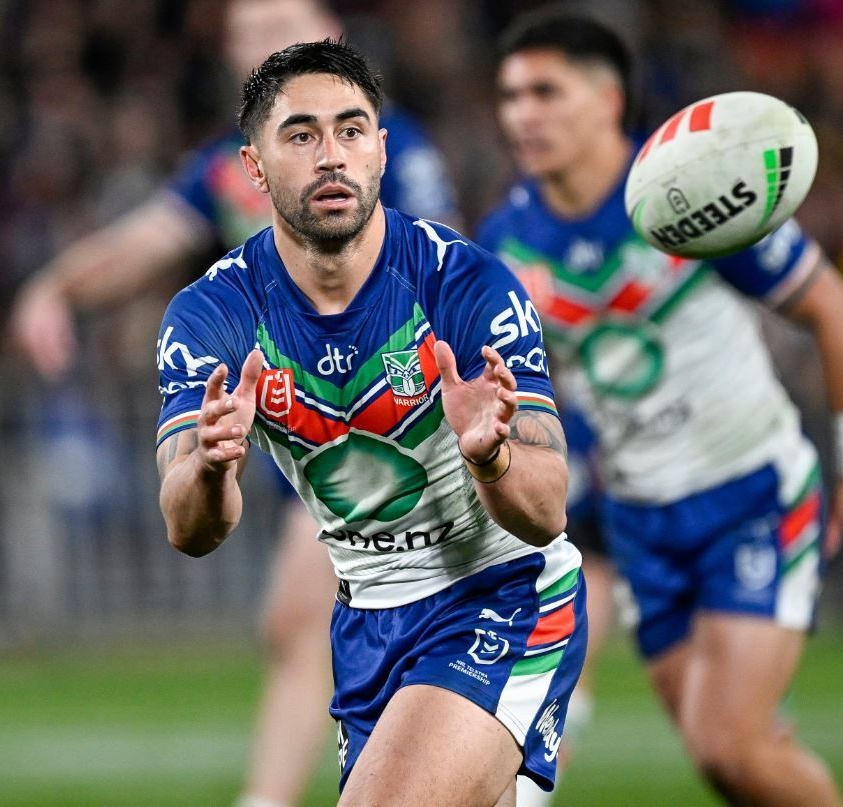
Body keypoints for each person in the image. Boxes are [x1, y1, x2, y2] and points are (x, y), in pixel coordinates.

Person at [7, 3, 459, 805]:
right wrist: (57, 289)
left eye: (279, 23)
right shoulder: (229, 166)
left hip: (401, 424)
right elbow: (143, 239)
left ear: (332, 34)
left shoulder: (385, 148)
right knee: (300, 624)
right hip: (314, 424)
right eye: (245, 34)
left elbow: (437, 264)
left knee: (335, 621)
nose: (259, 42)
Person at [477, 10, 843, 805]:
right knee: (727, 762)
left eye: (544, 91)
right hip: (640, 517)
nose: (521, 114)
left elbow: (834, 313)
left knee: (729, 742)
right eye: (509, 96)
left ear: (608, 101)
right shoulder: (506, 240)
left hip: (748, 489)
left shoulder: (694, 187)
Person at [155, 40, 587, 806]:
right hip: (365, 626)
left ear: (381, 151)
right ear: (252, 169)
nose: (332, 156)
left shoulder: (464, 285)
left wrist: (490, 459)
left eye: (352, 131)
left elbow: (548, 507)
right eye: (300, 135)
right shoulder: (212, 314)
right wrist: (212, 466)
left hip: (503, 595)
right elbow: (190, 528)